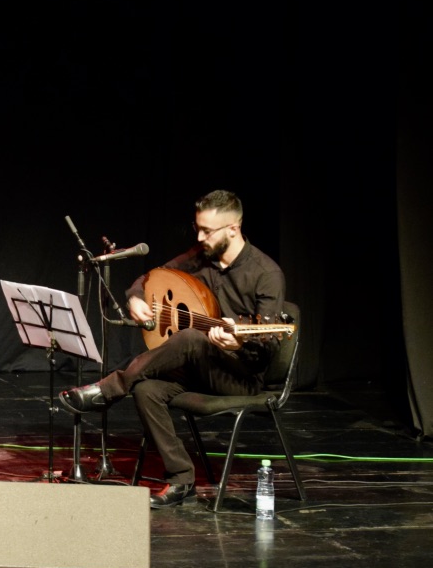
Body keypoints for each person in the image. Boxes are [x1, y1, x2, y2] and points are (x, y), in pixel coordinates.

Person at [58, 189, 285, 507]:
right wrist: (135, 298)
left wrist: (240, 341)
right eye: (198, 229)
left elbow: (268, 349)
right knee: (147, 389)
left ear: (234, 229)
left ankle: (109, 389)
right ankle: (181, 479)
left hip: (242, 377)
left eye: (208, 231)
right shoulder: (201, 257)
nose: (201, 237)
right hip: (202, 368)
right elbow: (151, 277)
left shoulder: (266, 274)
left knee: (191, 338)